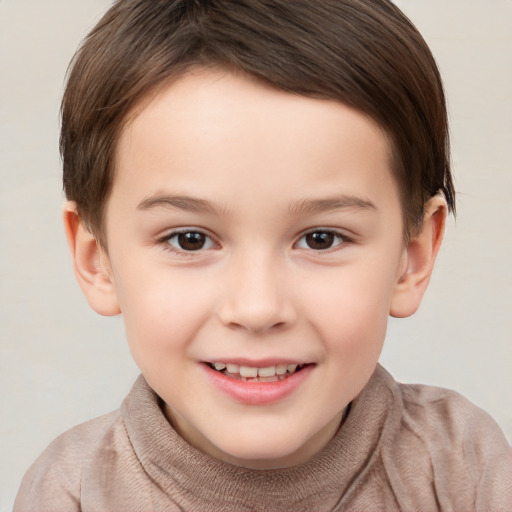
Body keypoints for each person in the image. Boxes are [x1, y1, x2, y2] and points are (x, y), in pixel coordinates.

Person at [14, 0, 511, 510]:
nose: (257, 308)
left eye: (321, 239)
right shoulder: (71, 492)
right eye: (190, 239)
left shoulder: (461, 467)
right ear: (98, 260)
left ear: (413, 256)